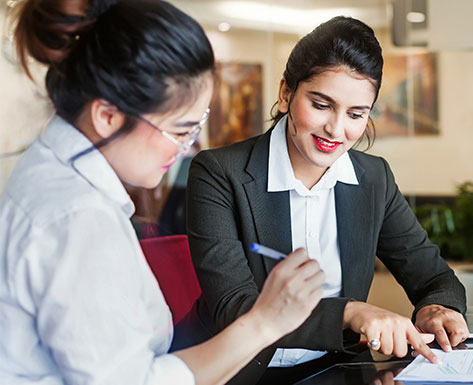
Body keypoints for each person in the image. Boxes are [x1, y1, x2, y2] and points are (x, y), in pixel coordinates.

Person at [0, 1, 324, 384]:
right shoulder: (78, 221)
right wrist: (266, 322)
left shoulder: (49, 174)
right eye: (180, 129)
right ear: (107, 117)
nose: (188, 146)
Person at [185, 16, 470, 384]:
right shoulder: (219, 172)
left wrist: (436, 308)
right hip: (237, 372)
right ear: (286, 93)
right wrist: (351, 313)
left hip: (338, 370)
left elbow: (432, 275)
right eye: (321, 105)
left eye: (356, 114)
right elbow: (235, 307)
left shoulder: (373, 178)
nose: (336, 130)